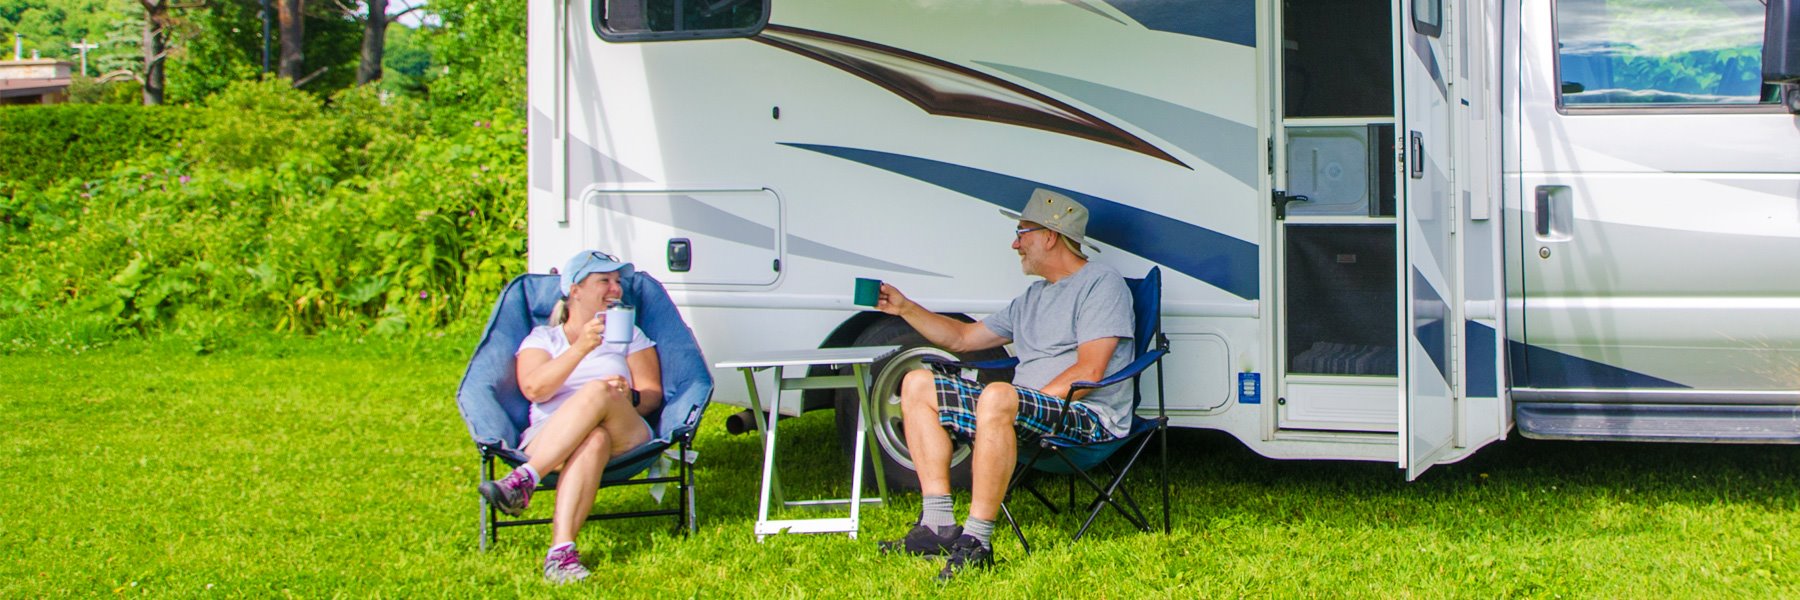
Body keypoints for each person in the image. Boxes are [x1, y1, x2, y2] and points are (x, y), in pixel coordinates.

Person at [874, 189, 1135, 580]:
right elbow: (962, 338)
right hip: (1020, 409)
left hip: (1084, 415)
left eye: (1022, 232)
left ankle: (977, 542)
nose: (1015, 244)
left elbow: (1091, 371)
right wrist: (906, 307)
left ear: (1050, 235)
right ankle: (937, 525)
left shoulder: (1101, 284)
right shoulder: (1032, 297)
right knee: (917, 383)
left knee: (997, 395)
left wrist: (1016, 405)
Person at [477, 250, 663, 584]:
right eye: (604, 280)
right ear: (574, 290)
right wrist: (581, 349)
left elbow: (652, 395)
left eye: (618, 282)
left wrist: (626, 397)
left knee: (597, 392)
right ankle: (561, 554)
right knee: (594, 438)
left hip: (626, 433)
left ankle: (525, 478)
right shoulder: (543, 339)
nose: (615, 289)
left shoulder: (629, 335)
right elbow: (535, 389)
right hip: (550, 437)